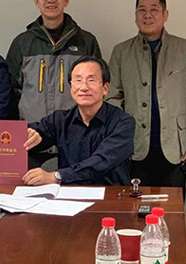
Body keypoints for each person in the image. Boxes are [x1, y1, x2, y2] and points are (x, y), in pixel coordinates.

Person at [107, 0, 186, 190]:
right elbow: (112, 98)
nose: (147, 15)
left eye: (154, 10)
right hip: (133, 149)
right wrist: (119, 142)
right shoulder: (121, 51)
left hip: (175, 149)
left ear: (165, 14)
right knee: (134, 207)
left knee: (172, 208)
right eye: (142, 10)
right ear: (135, 16)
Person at [7, 0, 103, 168]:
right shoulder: (22, 43)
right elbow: (10, 92)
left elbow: (96, 91)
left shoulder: (86, 41)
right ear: (36, 1)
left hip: (75, 141)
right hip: (30, 140)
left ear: (66, 0)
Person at [21, 57, 134, 186]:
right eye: (78, 80)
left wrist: (57, 176)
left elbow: (101, 161)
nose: (84, 87)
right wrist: (32, 134)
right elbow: (32, 133)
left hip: (110, 194)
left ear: (105, 88)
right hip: (69, 194)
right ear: (71, 87)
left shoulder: (123, 122)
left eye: (91, 80)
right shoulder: (60, 120)